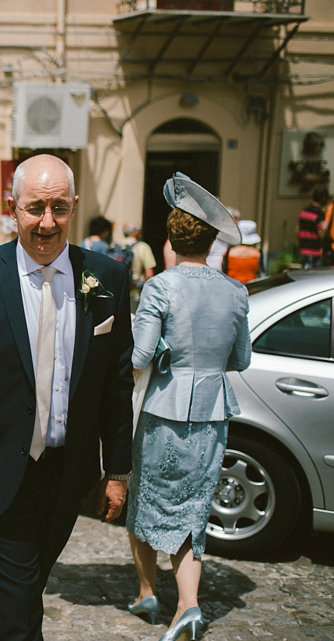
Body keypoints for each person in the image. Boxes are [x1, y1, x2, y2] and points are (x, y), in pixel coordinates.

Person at [0, 154, 133, 641]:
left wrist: (117, 471)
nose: (47, 222)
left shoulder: (108, 278)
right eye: (35, 208)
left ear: (75, 206)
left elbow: (117, 384)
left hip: (66, 476)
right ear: (12, 208)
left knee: (24, 601)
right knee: (18, 612)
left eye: (59, 207)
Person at [125, 173, 251, 641]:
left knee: (146, 503)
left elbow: (139, 357)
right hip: (213, 416)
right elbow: (240, 359)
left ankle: (145, 592)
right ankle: (190, 606)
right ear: (212, 241)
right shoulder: (235, 291)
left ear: (171, 239)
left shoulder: (160, 287)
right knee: (192, 510)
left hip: (164, 411)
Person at [118, 221, 156, 310]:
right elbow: (149, 274)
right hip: (135, 290)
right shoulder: (143, 247)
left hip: (119, 289)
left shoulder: (116, 246)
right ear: (136, 232)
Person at [223, 220, 262, 284]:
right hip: (252, 288)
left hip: (232, 286)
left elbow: (224, 270)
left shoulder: (229, 252)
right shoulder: (258, 253)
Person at [299, 186, 328, 268]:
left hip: (304, 250)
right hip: (314, 252)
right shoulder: (319, 213)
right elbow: (320, 234)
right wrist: (325, 229)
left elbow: (297, 232)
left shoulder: (304, 211)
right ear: (324, 198)